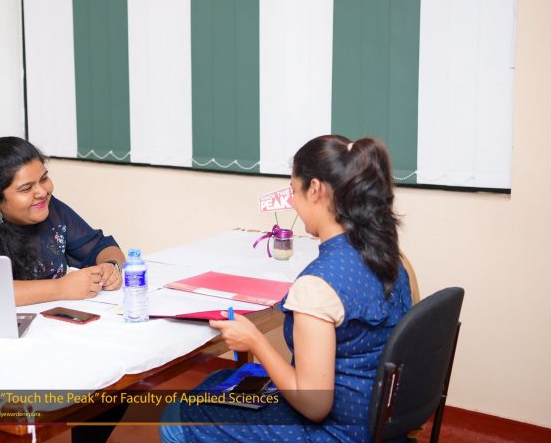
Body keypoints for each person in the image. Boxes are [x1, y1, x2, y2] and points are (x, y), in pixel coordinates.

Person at [160, 135, 412, 442]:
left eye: (294, 190)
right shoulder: (391, 257)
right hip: (378, 419)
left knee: (178, 417)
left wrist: (254, 340)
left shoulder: (317, 286)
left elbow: (315, 406)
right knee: (220, 380)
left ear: (315, 189)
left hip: (338, 432)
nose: (291, 201)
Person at [0, 136, 125, 306]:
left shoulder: (48, 208)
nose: (42, 192)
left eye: (44, 179)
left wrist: (111, 267)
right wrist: (61, 288)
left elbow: (101, 246)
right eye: (26, 188)